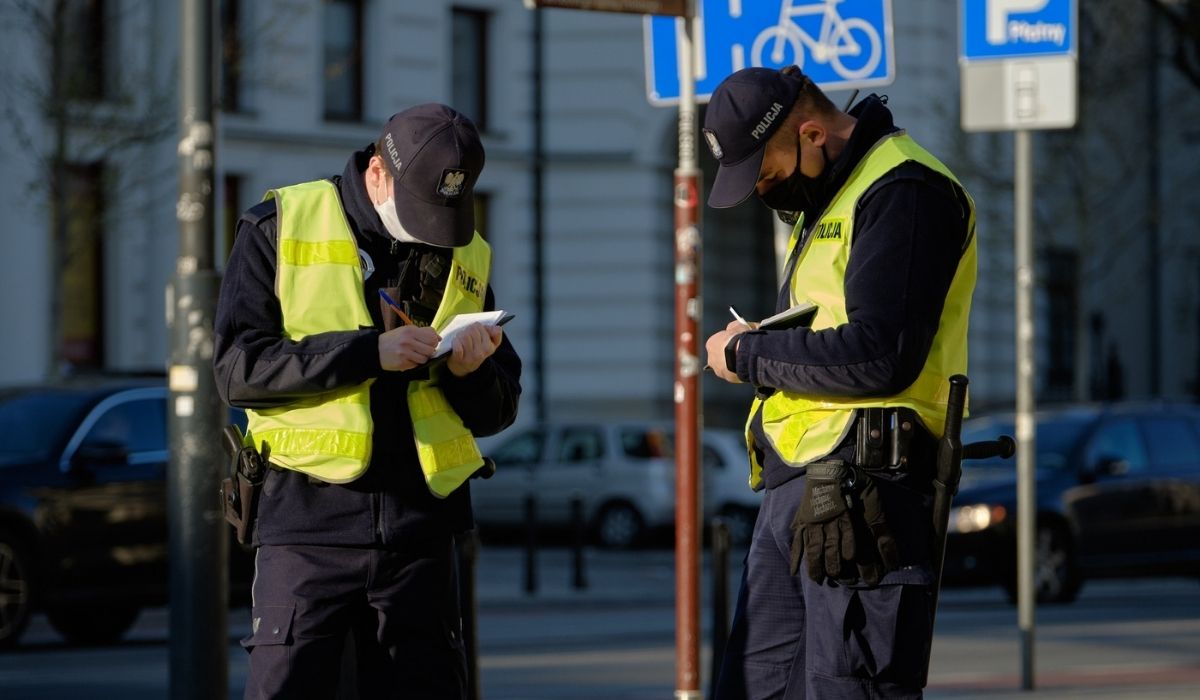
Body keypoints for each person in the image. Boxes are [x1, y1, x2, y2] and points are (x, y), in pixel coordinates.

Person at [214, 103, 521, 699]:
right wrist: (366, 354)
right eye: (419, 211)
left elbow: (499, 409)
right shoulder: (279, 225)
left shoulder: (466, 251)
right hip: (307, 529)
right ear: (377, 173)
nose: (430, 229)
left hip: (422, 537)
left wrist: (469, 372)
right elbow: (236, 369)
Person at [701, 67, 976, 699]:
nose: (767, 192)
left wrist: (749, 354)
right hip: (800, 489)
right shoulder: (829, 198)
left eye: (767, 174)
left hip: (868, 494)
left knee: (847, 688)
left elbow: (881, 354)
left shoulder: (905, 189)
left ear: (812, 133)